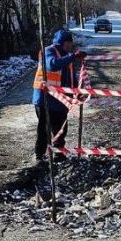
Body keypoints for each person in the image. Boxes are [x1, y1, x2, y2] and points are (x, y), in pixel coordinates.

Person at [31, 29, 86, 161]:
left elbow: (70, 78)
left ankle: (59, 153)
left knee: (61, 128)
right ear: (61, 42)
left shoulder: (67, 56)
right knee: (44, 128)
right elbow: (52, 65)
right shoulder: (49, 51)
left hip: (60, 100)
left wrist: (76, 93)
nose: (69, 46)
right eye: (67, 44)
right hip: (45, 98)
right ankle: (39, 155)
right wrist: (72, 56)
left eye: (70, 44)